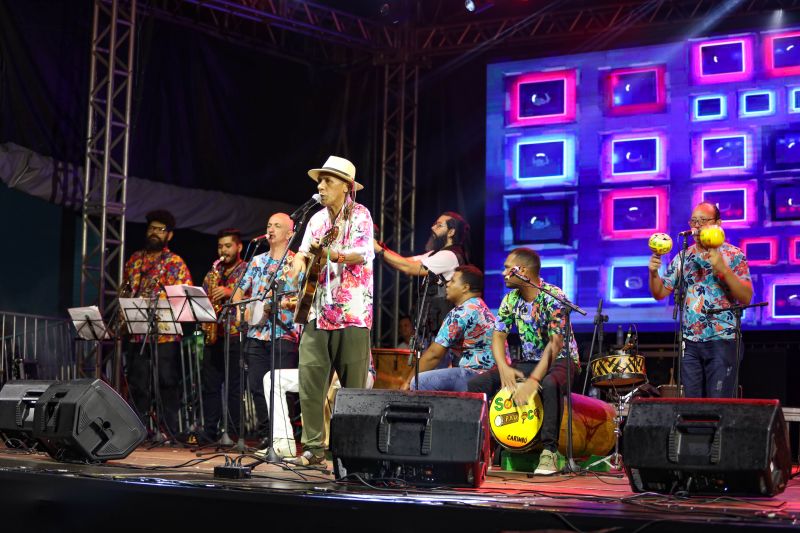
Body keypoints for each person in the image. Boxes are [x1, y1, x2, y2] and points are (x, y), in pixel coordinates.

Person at [287, 155, 374, 466]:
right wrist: (295, 267)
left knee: (353, 389)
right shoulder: (316, 220)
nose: (321, 187)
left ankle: (351, 450)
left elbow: (363, 254)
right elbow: (302, 253)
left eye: (328, 181)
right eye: (320, 181)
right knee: (310, 382)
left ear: (346, 187)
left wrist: (332, 253)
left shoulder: (361, 215)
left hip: (352, 313)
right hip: (316, 311)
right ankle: (312, 448)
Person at [467, 247, 579, 476]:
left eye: (508, 268)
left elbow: (555, 344)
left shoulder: (553, 297)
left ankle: (549, 452)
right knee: (478, 385)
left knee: (548, 384)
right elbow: (498, 336)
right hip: (529, 361)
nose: (503, 272)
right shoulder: (510, 299)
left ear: (523, 271)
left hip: (562, 359)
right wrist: (504, 368)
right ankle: (487, 447)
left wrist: (533, 380)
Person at [648, 202, 752, 398]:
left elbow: (746, 296)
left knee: (718, 402)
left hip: (723, 339)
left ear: (718, 223)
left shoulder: (733, 254)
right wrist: (653, 272)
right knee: (691, 404)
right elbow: (660, 292)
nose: (697, 226)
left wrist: (723, 270)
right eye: (694, 221)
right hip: (691, 342)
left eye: (703, 221)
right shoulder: (683, 256)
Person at [122, 209, 193, 439]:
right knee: (137, 383)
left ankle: (169, 430)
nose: (154, 233)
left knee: (167, 382)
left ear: (169, 236)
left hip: (166, 334)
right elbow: (126, 291)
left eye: (160, 230)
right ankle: (137, 430)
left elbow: (184, 298)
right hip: (138, 334)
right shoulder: (134, 260)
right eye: (152, 228)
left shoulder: (176, 263)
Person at [232, 213, 300, 448]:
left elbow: (301, 299)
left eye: (277, 226)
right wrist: (241, 312)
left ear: (289, 233)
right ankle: (265, 434)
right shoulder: (257, 260)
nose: (271, 229)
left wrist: (282, 304)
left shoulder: (296, 262)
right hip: (256, 333)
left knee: (281, 386)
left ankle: (284, 437)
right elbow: (239, 291)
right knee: (256, 385)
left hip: (284, 333)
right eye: (269, 224)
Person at [375, 211, 471, 347]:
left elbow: (409, 267)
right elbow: (403, 261)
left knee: (432, 366)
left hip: (444, 331)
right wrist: (379, 247)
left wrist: (379, 249)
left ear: (451, 232)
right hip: (433, 329)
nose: (433, 228)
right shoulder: (435, 254)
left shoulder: (449, 256)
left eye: (439, 225)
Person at [410, 265, 500, 392]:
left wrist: (406, 382)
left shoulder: (462, 312)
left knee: (418, 382)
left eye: (452, 281)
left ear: (465, 288)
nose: (447, 284)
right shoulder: (478, 306)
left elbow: (434, 355)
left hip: (476, 375)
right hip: (492, 375)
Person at [200, 228, 247, 442]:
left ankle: (235, 432)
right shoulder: (213, 273)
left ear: (239, 247)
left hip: (236, 334)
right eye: (220, 246)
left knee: (234, 388)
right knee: (210, 386)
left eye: (228, 246)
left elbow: (256, 296)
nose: (223, 250)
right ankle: (210, 431)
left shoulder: (247, 269)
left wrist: (230, 293)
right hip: (214, 335)